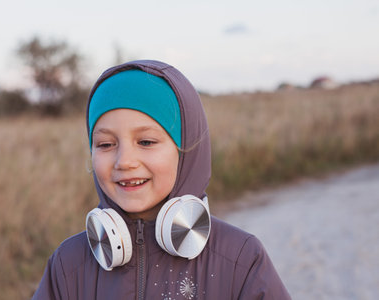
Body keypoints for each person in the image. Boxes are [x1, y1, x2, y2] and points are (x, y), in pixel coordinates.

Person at [32, 60, 291, 299]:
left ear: (186, 150)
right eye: (106, 144)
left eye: (146, 141)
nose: (124, 161)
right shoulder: (68, 265)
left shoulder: (240, 259)